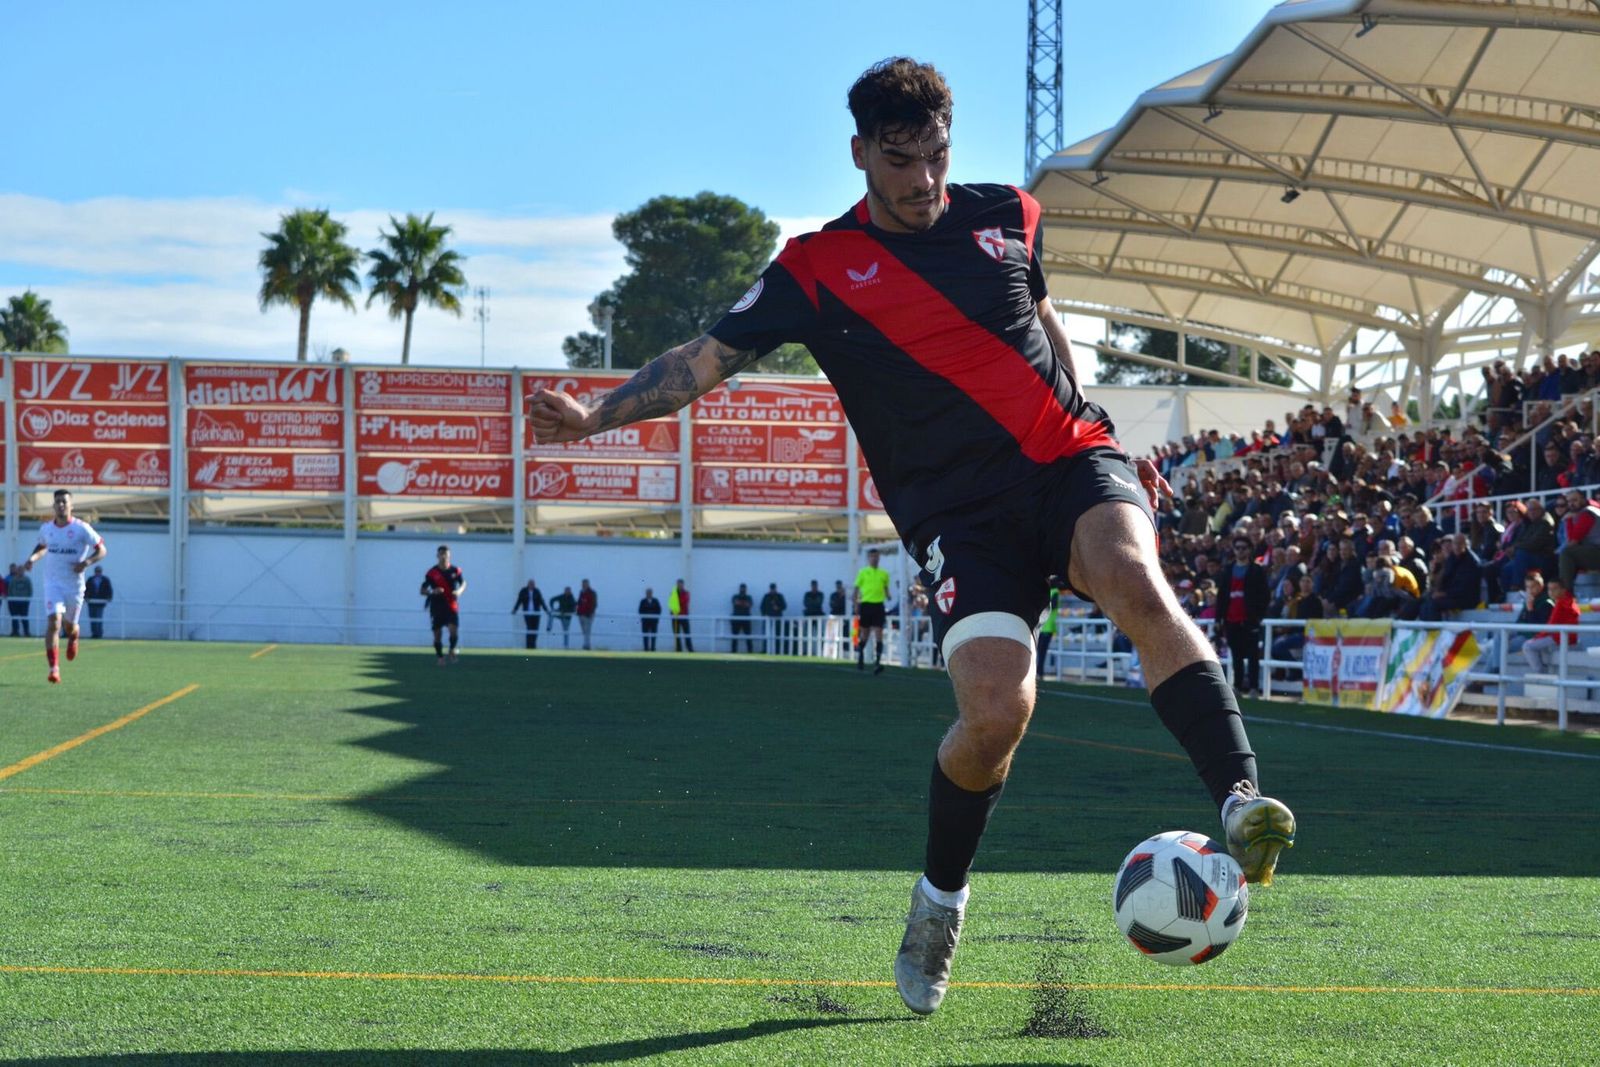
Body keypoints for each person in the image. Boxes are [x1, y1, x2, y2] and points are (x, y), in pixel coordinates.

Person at [528, 57, 1294, 1017]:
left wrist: (1089, 414)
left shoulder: (1010, 214)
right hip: (957, 520)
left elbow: (1045, 320)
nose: (923, 180)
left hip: (1067, 462)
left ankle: (1240, 799)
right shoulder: (813, 269)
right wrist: (595, 415)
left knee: (1134, 578)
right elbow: (703, 360)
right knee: (993, 717)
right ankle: (940, 902)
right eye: (900, 161)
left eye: (936, 156)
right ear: (860, 154)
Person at [23, 489, 107, 682]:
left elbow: (102, 549)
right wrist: (32, 559)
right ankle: (54, 669)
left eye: (64, 502)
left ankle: (73, 637)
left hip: (74, 587)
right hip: (53, 583)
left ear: (71, 506)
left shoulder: (81, 528)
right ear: (53, 506)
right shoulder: (46, 529)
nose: (61, 505)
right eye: (58, 502)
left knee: (70, 627)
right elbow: (42, 546)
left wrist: (86, 563)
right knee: (54, 622)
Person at [1221, 537, 1270, 697]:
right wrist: (1218, 618)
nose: (1240, 551)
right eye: (1237, 548)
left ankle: (1254, 687)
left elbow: (1264, 595)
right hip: (1231, 619)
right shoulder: (1228, 570)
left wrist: (1258, 615)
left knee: (1253, 655)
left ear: (1249, 549)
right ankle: (1238, 686)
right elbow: (1222, 596)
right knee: (1236, 655)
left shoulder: (1256, 570)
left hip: (1249, 619)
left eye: (1243, 548)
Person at [1522, 576, 1580, 673]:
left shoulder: (1562, 603)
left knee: (1528, 646)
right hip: (1564, 636)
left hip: (1561, 637)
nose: (1551, 592)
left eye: (1555, 589)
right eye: (1549, 589)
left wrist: (1536, 637)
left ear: (1563, 590)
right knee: (1536, 645)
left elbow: (1550, 626)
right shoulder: (1568, 600)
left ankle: (1541, 674)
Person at [420, 545, 465, 665]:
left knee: (453, 630)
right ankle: (440, 657)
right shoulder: (432, 573)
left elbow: (463, 583)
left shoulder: (455, 571)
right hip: (437, 607)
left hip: (451, 605)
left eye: (446, 554)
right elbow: (422, 590)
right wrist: (432, 591)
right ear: (437, 556)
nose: (444, 556)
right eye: (441, 554)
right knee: (437, 635)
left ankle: (451, 650)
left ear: (449, 556)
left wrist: (459, 591)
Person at [854, 548, 891, 674]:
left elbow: (886, 589)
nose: (874, 558)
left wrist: (889, 595)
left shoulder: (884, 574)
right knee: (865, 635)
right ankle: (860, 657)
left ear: (879, 558)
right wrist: (856, 605)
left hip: (878, 606)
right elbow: (856, 590)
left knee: (879, 634)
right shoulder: (863, 572)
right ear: (868, 558)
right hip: (866, 605)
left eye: (876, 556)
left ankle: (877, 662)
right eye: (872, 556)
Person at [511, 579, 547, 650]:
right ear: (528, 584)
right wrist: (515, 609)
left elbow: (541, 601)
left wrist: (546, 610)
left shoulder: (537, 591)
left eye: (533, 584)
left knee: (535, 630)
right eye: (531, 584)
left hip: (536, 614)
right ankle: (529, 646)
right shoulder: (523, 591)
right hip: (527, 613)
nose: (532, 585)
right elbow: (519, 601)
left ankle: (533, 646)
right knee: (529, 629)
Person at [84, 565, 113, 639]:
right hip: (91, 602)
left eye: (99, 571)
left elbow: (109, 589)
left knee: (99, 617)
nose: (98, 572)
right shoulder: (90, 579)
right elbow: (85, 589)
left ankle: (99, 633)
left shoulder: (105, 580)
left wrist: (109, 597)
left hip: (100, 602)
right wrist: (85, 597)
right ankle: (94, 633)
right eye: (97, 571)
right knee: (92, 618)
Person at [759, 582, 787, 655]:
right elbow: (762, 607)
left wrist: (778, 608)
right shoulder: (766, 596)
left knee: (778, 634)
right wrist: (764, 615)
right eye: (771, 589)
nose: (772, 590)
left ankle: (777, 650)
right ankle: (765, 649)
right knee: (766, 634)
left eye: (773, 588)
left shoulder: (780, 596)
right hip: (767, 618)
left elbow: (784, 606)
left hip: (777, 618)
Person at [668, 578, 693, 652]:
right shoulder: (673, 593)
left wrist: (676, 601)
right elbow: (671, 603)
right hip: (675, 617)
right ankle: (678, 650)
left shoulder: (686, 593)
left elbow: (684, 602)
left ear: (683, 585)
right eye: (678, 584)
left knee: (687, 634)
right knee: (676, 634)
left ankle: (690, 649)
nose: (679, 586)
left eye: (681, 584)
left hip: (684, 616)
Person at [6, 563, 31, 637]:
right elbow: (10, 590)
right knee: (14, 618)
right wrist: (12, 599)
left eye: (22, 570)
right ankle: (15, 632)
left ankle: (26, 632)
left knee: (24, 618)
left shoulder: (27, 580)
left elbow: (30, 590)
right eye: (19, 570)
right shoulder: (13, 580)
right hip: (14, 602)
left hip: (24, 602)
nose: (20, 571)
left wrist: (27, 599)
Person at [730, 582, 755, 653]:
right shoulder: (735, 596)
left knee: (748, 637)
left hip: (746, 619)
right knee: (734, 637)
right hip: (736, 619)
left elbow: (749, 605)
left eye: (744, 588)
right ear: (739, 589)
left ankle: (750, 651)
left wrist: (741, 603)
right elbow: (736, 603)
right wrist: (743, 603)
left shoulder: (749, 597)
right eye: (742, 588)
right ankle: (733, 651)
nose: (743, 589)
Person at [576, 579, 597, 650]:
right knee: (584, 630)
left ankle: (587, 646)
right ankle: (586, 644)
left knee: (587, 630)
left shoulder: (592, 593)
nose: (583, 585)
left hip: (588, 615)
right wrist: (577, 611)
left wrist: (590, 612)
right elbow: (579, 602)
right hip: (581, 614)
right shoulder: (581, 592)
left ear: (588, 584)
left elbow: (594, 604)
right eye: (583, 584)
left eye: (585, 584)